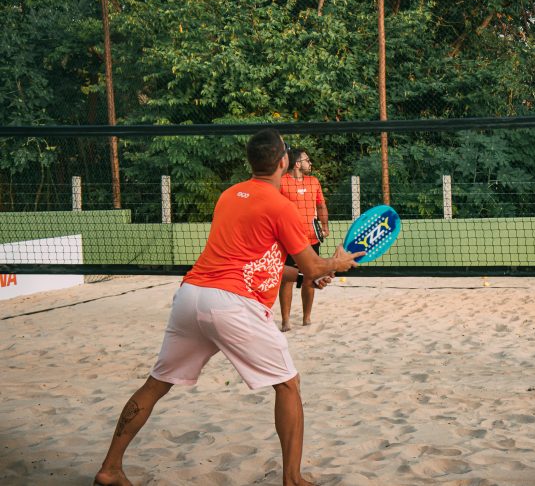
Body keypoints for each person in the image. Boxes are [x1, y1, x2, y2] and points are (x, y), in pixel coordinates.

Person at [94, 130, 363, 486]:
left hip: (191, 295)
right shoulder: (281, 205)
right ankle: (293, 479)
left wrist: (303, 277)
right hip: (232, 305)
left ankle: (109, 469)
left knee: (156, 384)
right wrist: (336, 264)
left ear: (252, 162)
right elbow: (315, 266)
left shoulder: (230, 195)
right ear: (283, 160)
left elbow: (252, 261)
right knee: (288, 385)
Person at [279, 148, 330, 331]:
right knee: (287, 280)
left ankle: (306, 318)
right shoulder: (281, 182)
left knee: (311, 277)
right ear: (297, 164)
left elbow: (321, 205)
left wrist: (324, 226)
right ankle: (285, 320)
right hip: (289, 240)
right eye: (307, 160)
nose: (310, 163)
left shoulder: (313, 181)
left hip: (311, 239)